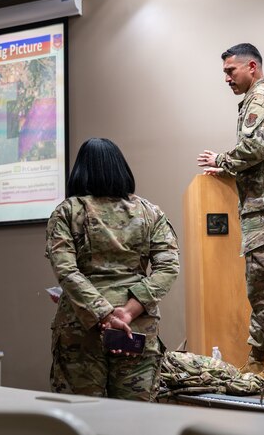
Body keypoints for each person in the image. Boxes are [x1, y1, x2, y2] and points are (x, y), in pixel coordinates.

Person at [197, 43, 264, 374]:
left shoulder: (260, 100)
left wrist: (221, 160)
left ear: (252, 68)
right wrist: (230, 169)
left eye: (231, 71)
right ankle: (258, 362)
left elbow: (255, 148)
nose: (227, 78)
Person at [45, 138, 180, 401]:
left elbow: (67, 272)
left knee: (81, 417)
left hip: (81, 328)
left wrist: (105, 316)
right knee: (136, 419)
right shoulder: (150, 212)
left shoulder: (67, 212)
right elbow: (168, 267)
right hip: (137, 327)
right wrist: (127, 313)